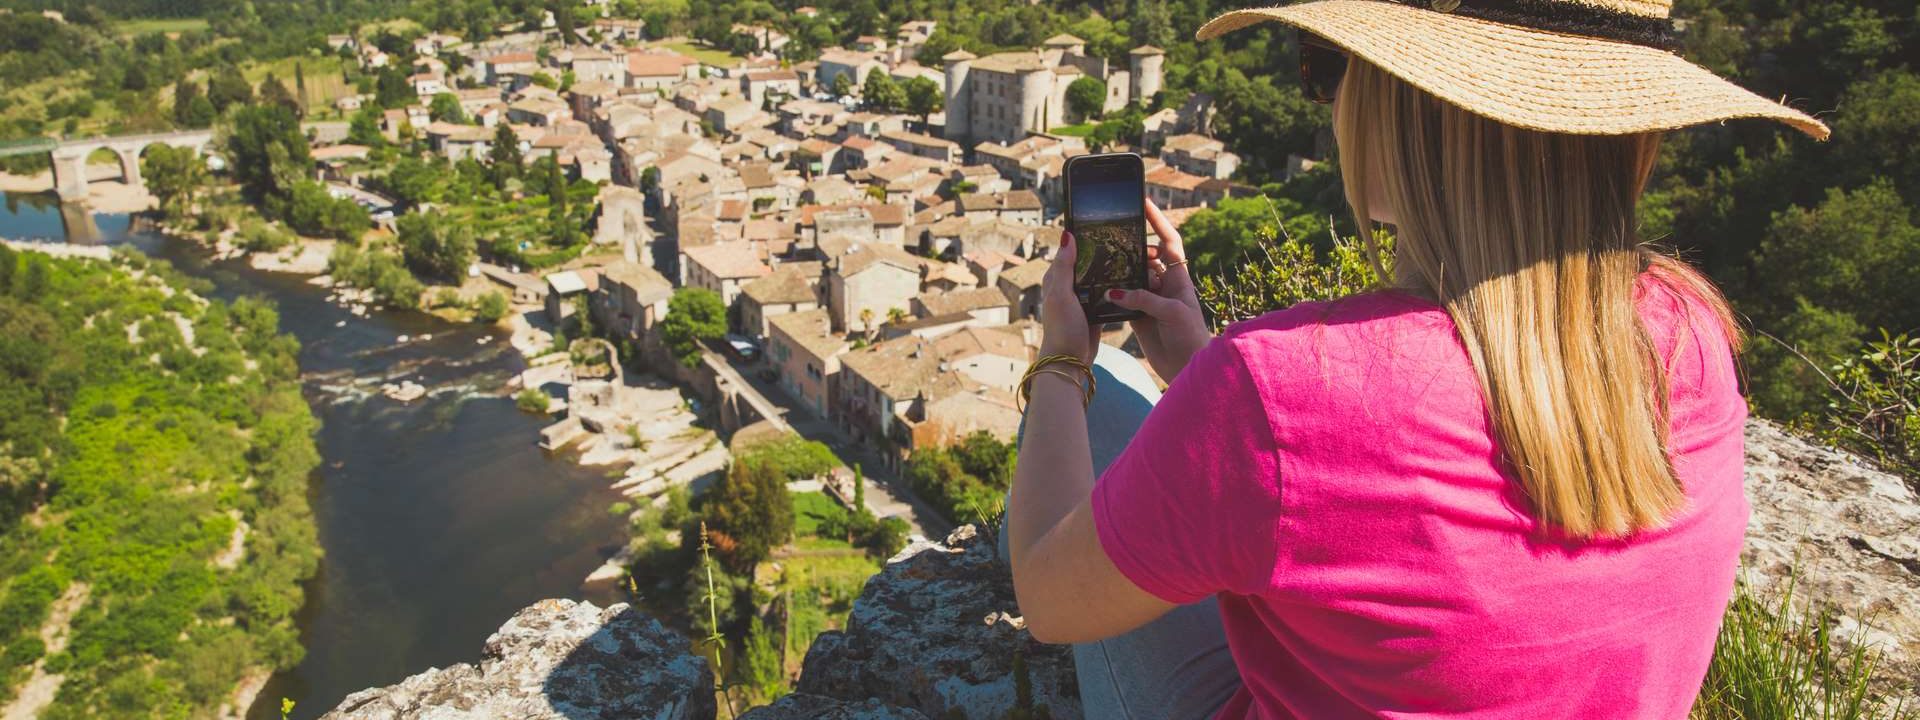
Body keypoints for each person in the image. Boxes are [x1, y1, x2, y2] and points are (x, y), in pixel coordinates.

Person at [1004, 0, 1829, 717]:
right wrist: (1200, 368)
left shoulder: (1287, 388)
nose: (1327, 101)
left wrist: (1062, 363)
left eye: (1327, 70)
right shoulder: (1691, 328)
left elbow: (1048, 599)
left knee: (1105, 396)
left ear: (1403, 112)